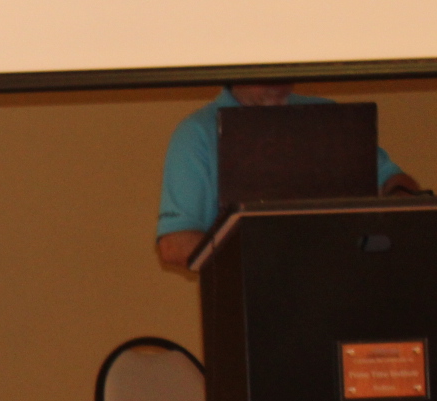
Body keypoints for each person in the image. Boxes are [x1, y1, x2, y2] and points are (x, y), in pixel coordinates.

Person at [156, 83, 421, 268]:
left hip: (350, 289)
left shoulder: (326, 115)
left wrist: (400, 207)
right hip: (255, 301)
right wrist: (264, 257)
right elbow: (174, 244)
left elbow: (394, 180)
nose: (279, 83)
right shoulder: (197, 132)